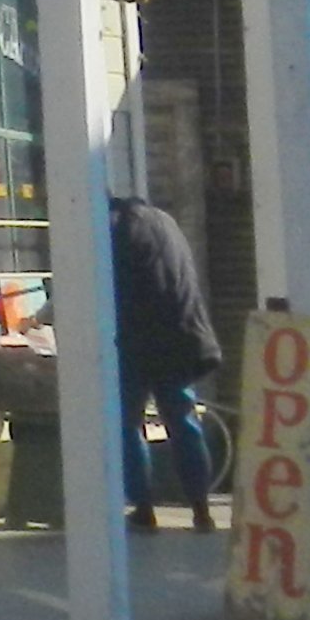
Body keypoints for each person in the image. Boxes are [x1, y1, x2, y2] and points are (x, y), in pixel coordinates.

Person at [106, 192, 221, 530]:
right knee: (183, 420)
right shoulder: (165, 221)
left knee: (127, 423)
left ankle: (143, 507)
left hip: (140, 341)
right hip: (183, 334)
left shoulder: (117, 229)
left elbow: (113, 287)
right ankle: (201, 508)